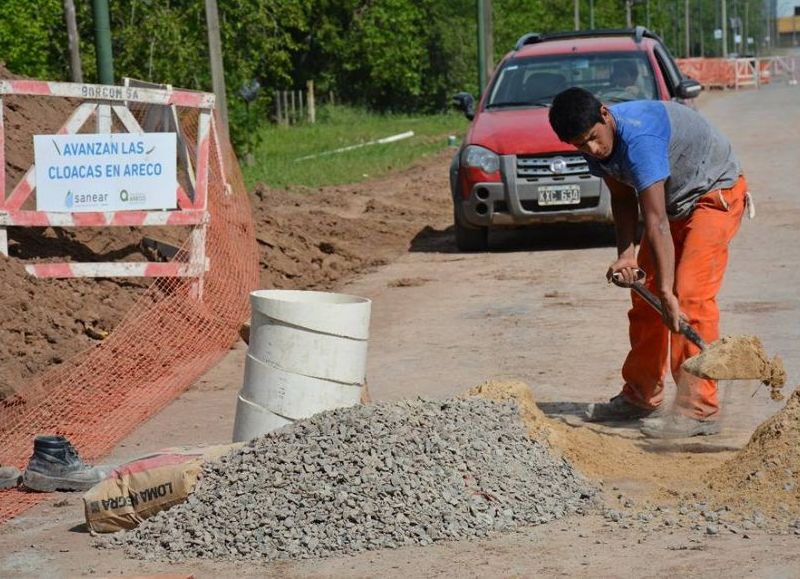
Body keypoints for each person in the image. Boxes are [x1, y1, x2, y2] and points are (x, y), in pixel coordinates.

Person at [548, 87, 750, 438]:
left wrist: (669, 293)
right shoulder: (595, 145)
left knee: (688, 297)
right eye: (582, 145)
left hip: (713, 194)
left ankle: (699, 409)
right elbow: (624, 198)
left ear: (605, 115)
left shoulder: (639, 138)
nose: (592, 150)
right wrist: (625, 253)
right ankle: (641, 396)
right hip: (674, 204)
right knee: (646, 298)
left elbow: (654, 222)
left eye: (594, 138)